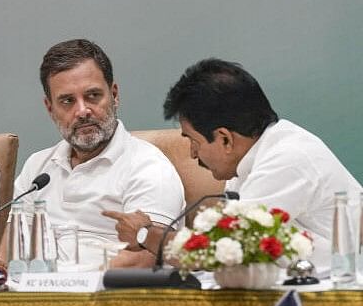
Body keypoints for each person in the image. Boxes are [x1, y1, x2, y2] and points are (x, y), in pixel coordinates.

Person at [110, 58, 362, 272]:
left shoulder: (288, 159)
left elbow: (219, 254)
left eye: (193, 141)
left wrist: (146, 234)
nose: (193, 153)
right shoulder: (249, 164)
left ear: (225, 139)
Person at [0, 39, 185, 268]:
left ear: (114, 94)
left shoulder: (148, 167)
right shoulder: (38, 168)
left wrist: (62, 285)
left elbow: (143, 261)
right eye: (67, 101)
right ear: (50, 108)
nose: (82, 111)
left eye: (93, 96)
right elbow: (7, 255)